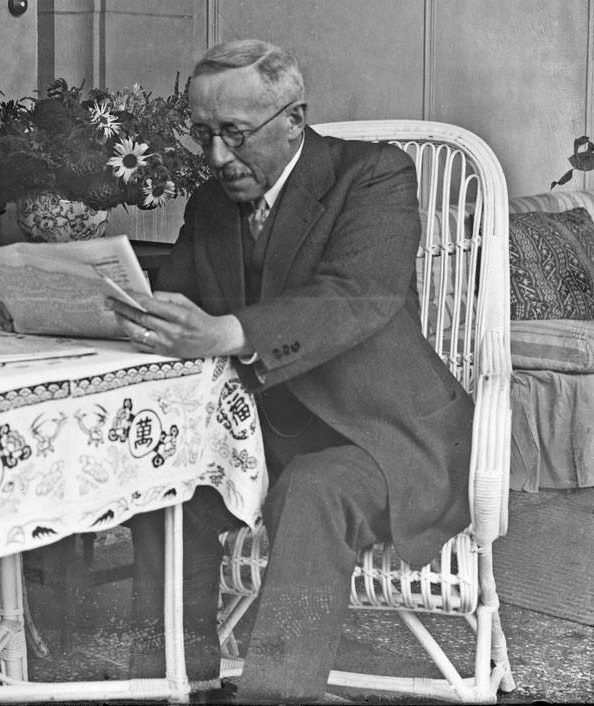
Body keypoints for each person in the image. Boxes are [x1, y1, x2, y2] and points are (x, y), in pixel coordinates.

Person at [105, 39, 474, 703]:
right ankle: (168, 680)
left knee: (313, 489)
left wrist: (227, 331)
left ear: (294, 120)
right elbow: (184, 301)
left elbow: (358, 293)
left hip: (378, 436)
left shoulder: (373, 175)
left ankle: (278, 692)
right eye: (202, 134)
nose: (217, 158)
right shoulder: (213, 204)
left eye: (235, 135)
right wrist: (122, 310)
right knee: (165, 479)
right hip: (260, 437)